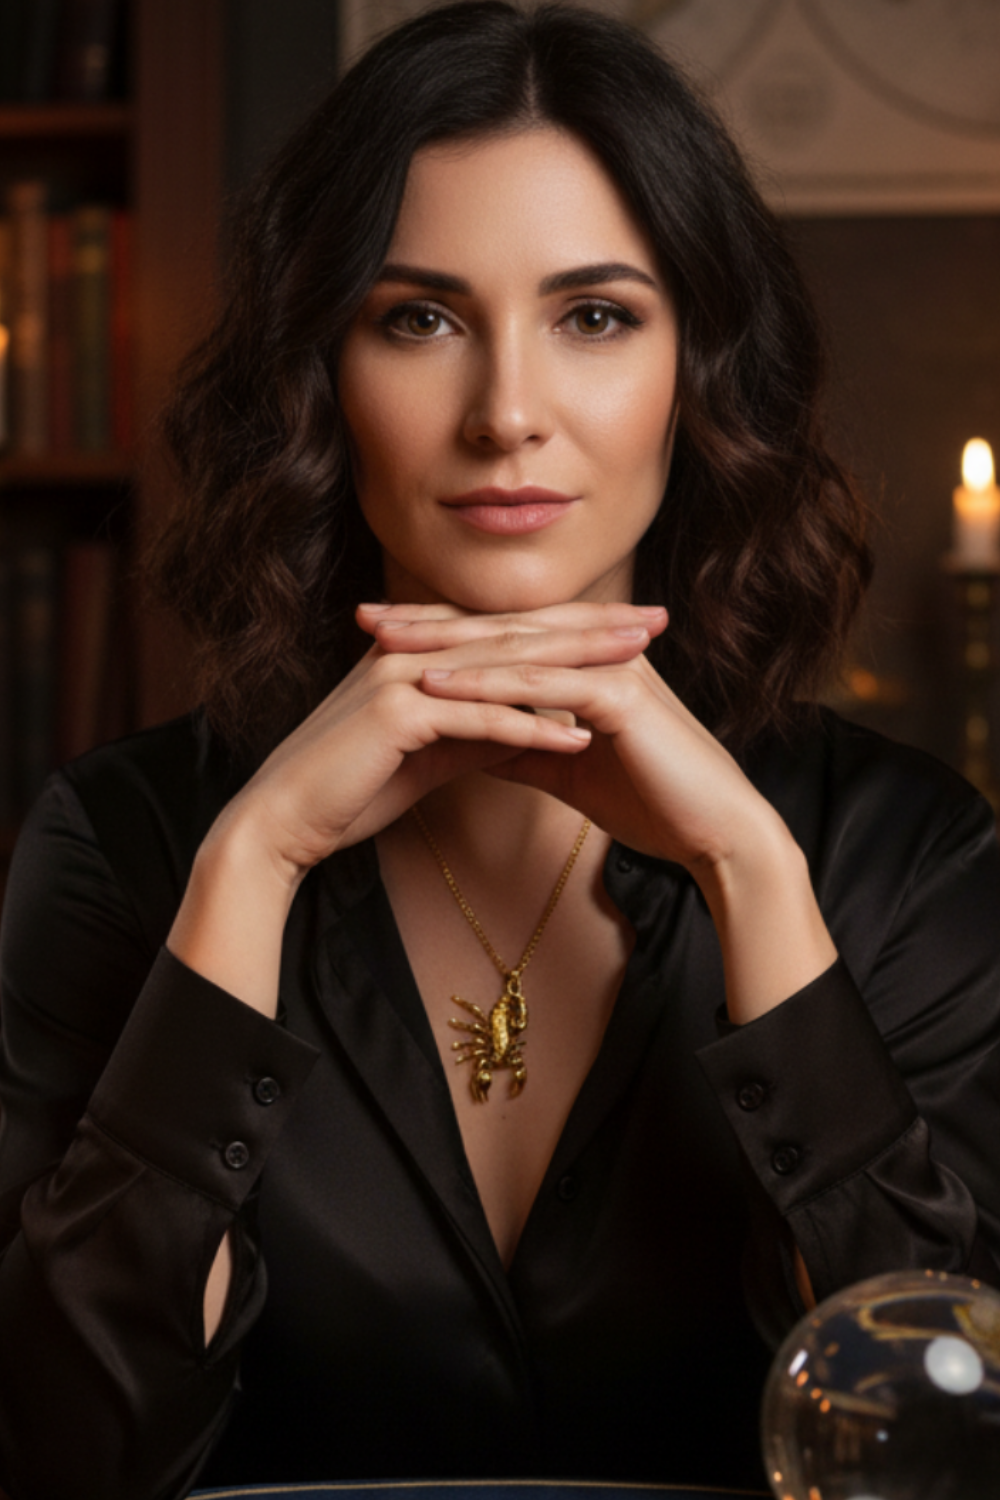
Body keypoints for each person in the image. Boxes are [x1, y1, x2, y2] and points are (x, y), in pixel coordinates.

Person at [1, 4, 999, 1497]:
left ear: (698, 370)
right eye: (420, 318)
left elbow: (946, 1445)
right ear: (322, 372)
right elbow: (69, 1455)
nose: (508, 414)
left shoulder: (897, 854)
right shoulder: (131, 841)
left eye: (596, 316)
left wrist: (753, 879)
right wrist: (252, 865)